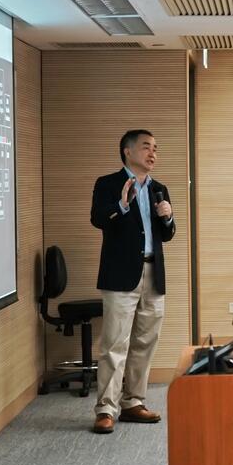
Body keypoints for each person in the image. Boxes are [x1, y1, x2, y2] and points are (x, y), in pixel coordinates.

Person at [90, 130, 176, 435]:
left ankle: (133, 402)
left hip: (154, 272)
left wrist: (167, 217)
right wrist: (122, 205)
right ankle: (106, 409)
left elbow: (167, 234)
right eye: (146, 147)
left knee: (145, 342)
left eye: (156, 148)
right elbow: (98, 219)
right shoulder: (107, 184)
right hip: (120, 273)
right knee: (115, 343)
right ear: (127, 151)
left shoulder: (159, 189)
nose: (153, 153)